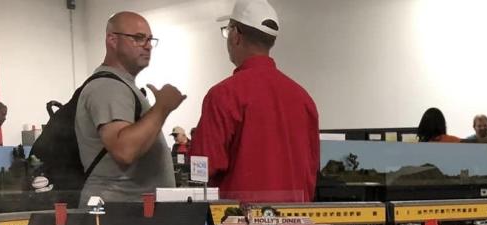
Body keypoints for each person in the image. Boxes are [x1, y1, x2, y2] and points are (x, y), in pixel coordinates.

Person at [190, 0, 320, 203]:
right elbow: (311, 173)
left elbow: (202, 169)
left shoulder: (224, 95)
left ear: (235, 35)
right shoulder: (304, 100)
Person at [77, 11, 182, 205]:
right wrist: (162, 108)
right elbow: (124, 150)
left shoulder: (121, 86)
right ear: (112, 40)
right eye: (138, 38)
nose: (148, 46)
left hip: (127, 215)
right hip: (117, 216)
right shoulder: (109, 87)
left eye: (150, 39)